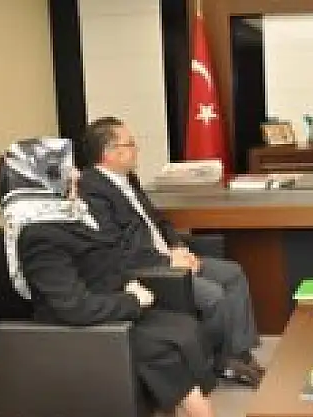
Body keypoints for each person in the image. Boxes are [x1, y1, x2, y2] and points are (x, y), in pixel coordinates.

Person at [0, 137, 216, 417]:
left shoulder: (67, 218)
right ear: (39, 180)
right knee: (168, 348)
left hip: (107, 313)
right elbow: (73, 307)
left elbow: (101, 264)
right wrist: (131, 300)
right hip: (83, 333)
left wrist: (126, 284)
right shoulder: (39, 236)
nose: (77, 174)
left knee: (185, 326)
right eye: (65, 169)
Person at [78, 117, 263, 386]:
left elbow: (158, 221)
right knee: (213, 295)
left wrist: (178, 247)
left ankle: (238, 354)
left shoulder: (127, 179)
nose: (136, 149)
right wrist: (168, 260)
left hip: (169, 257)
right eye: (130, 144)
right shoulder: (91, 190)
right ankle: (215, 363)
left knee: (232, 273)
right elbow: (118, 248)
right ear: (109, 153)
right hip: (143, 269)